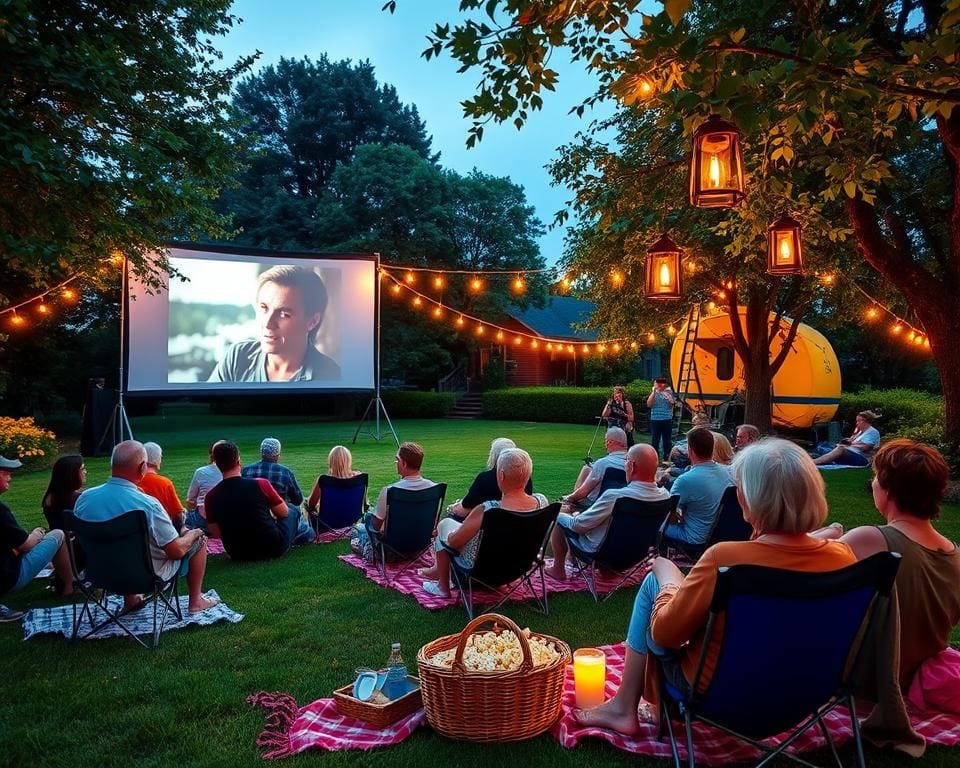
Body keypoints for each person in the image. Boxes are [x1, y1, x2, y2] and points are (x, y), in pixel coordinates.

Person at [572, 439, 857, 735]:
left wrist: (670, 580)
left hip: (721, 696)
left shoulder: (727, 559)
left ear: (751, 498)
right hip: (803, 696)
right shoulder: (841, 556)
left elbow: (665, 635)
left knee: (656, 578)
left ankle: (622, 708)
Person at [816, 439, 960, 689]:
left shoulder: (871, 539)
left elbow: (803, 585)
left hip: (865, 677)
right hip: (914, 678)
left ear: (887, 488)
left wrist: (819, 536)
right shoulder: (954, 554)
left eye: (875, 477)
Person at [73, 441, 217, 614]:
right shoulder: (147, 505)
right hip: (144, 577)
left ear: (112, 465)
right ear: (142, 467)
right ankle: (196, 602)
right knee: (199, 539)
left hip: (98, 575)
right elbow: (176, 551)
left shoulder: (85, 499)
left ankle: (131, 599)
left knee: (122, 550)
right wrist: (193, 533)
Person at [419, 448, 548, 598]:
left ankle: (443, 587)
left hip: (484, 569)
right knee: (450, 529)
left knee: (445, 525)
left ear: (500, 475)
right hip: (519, 566)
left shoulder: (488, 509)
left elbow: (453, 542)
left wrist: (447, 536)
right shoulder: (542, 502)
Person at [545, 443, 669, 581]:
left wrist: (571, 515)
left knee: (560, 517)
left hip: (602, 554)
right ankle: (608, 572)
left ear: (631, 466)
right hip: (637, 555)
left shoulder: (616, 497)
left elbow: (579, 526)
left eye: (626, 461)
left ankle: (558, 569)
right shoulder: (665, 496)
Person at [208, 264, 340, 382]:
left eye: (284, 314)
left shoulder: (329, 375)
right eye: (264, 308)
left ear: (312, 322)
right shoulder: (238, 357)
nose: (267, 323)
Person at [204, 440, 313, 561]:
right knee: (293, 510)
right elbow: (284, 513)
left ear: (216, 464)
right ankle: (304, 534)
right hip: (271, 547)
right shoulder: (260, 484)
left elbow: (216, 533)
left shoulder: (211, 496)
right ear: (238, 460)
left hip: (237, 552)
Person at [1, 455, 74, 621]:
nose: (10, 477)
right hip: (8, 577)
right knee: (57, 534)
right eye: (5, 473)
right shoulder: (1, 512)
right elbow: (26, 545)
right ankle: (70, 585)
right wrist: (36, 534)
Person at [350, 442, 437, 560]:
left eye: (397, 460)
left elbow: (375, 527)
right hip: (420, 548)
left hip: (390, 551)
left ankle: (366, 549)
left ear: (404, 463)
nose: (396, 463)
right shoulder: (434, 489)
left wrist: (371, 518)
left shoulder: (390, 491)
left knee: (358, 529)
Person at [662, 427, 733, 547]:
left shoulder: (685, 480)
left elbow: (670, 518)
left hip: (693, 538)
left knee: (652, 524)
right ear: (712, 448)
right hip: (717, 536)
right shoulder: (727, 472)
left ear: (690, 449)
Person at [445, 437, 533, 521]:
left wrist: (453, 508)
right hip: (518, 523)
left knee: (451, 517)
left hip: (487, 524)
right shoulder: (525, 479)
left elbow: (466, 505)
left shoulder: (485, 480)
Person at [562, 428, 628, 511]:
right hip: (624, 505)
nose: (605, 445)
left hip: (597, 506)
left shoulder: (603, 463)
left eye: (605, 441)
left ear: (610, 442)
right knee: (587, 469)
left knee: (563, 507)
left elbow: (583, 493)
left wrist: (568, 498)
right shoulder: (632, 464)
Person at [305, 445, 368, 517]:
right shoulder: (359, 478)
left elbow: (311, 505)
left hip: (327, 524)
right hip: (353, 522)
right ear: (349, 460)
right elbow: (364, 502)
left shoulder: (325, 480)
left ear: (331, 461)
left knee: (306, 504)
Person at [242, 437, 304, 507]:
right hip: (279, 514)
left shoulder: (246, 471)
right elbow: (298, 500)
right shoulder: (285, 473)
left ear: (261, 453)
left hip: (253, 513)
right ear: (277, 455)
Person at [138, 442, 185, 529]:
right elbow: (178, 514)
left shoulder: (132, 481)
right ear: (156, 460)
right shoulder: (164, 483)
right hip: (162, 530)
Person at [184, 439, 226, 533]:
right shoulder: (236, 472)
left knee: (187, 514)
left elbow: (191, 499)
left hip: (204, 519)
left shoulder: (201, 472)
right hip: (226, 519)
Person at [814, 410, 881, 466]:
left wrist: (849, 444)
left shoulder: (872, 432)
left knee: (840, 449)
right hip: (851, 452)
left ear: (863, 421)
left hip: (863, 459)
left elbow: (866, 447)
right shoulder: (860, 431)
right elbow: (852, 441)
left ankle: (815, 462)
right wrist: (847, 441)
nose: (856, 423)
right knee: (824, 445)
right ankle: (821, 459)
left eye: (858, 421)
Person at [41, 454, 87, 531]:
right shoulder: (78, 498)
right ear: (72, 473)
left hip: (59, 538)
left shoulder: (51, 497)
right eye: (82, 469)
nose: (85, 472)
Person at [646, 378, 675, 459]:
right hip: (655, 419)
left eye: (661, 383)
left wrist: (669, 398)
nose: (659, 385)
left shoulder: (669, 392)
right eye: (657, 383)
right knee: (655, 439)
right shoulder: (653, 393)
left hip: (666, 418)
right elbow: (649, 404)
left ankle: (667, 457)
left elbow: (672, 404)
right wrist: (654, 392)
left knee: (667, 440)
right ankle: (654, 457)